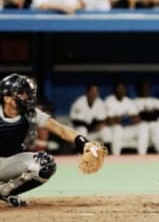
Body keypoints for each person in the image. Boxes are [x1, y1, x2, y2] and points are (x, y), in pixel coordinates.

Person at [0, 74, 102, 207]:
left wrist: (84, 143)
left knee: (46, 165)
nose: (26, 96)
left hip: (10, 162)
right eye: (21, 93)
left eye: (26, 93)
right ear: (7, 97)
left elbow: (60, 129)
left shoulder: (31, 113)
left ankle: (6, 191)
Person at [105, 81, 148, 156]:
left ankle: (142, 155)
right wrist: (127, 118)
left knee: (143, 126)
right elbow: (110, 121)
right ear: (115, 90)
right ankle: (116, 156)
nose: (121, 91)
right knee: (117, 128)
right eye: (119, 89)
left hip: (127, 128)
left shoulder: (128, 101)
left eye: (123, 89)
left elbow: (137, 118)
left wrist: (120, 118)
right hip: (114, 129)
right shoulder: (109, 100)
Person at [133, 80, 159, 154]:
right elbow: (140, 116)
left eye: (147, 87)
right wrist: (154, 113)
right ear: (139, 89)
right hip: (142, 124)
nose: (145, 89)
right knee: (143, 133)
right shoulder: (135, 101)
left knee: (157, 135)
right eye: (143, 87)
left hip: (155, 123)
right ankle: (141, 155)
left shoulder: (155, 100)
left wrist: (150, 114)